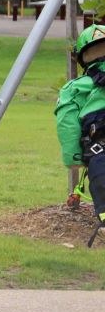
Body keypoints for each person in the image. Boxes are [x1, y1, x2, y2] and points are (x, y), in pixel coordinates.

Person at [55, 25, 105, 221]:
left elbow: (67, 124)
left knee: (101, 176)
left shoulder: (74, 88)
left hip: (98, 147)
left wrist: (74, 158)